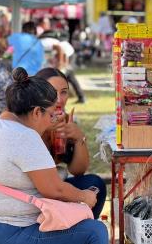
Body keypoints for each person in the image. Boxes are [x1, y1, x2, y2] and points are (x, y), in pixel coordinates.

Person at [0, 67, 108, 244]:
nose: (53, 119)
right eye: (51, 113)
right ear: (37, 112)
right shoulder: (25, 136)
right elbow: (54, 189)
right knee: (95, 230)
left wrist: (78, 138)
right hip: (14, 229)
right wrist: (85, 196)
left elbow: (76, 171)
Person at [35, 67, 106, 218]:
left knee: (95, 184)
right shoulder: (29, 119)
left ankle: (80, 232)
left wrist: (79, 138)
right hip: (27, 191)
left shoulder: (66, 120)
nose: (59, 99)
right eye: (52, 92)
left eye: (64, 92)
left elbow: (77, 171)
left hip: (53, 186)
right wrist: (43, 130)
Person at [39, 31, 86, 103]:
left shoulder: (42, 42)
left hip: (67, 55)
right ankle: (81, 97)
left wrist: (60, 64)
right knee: (69, 76)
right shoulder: (49, 42)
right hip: (65, 55)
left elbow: (60, 50)